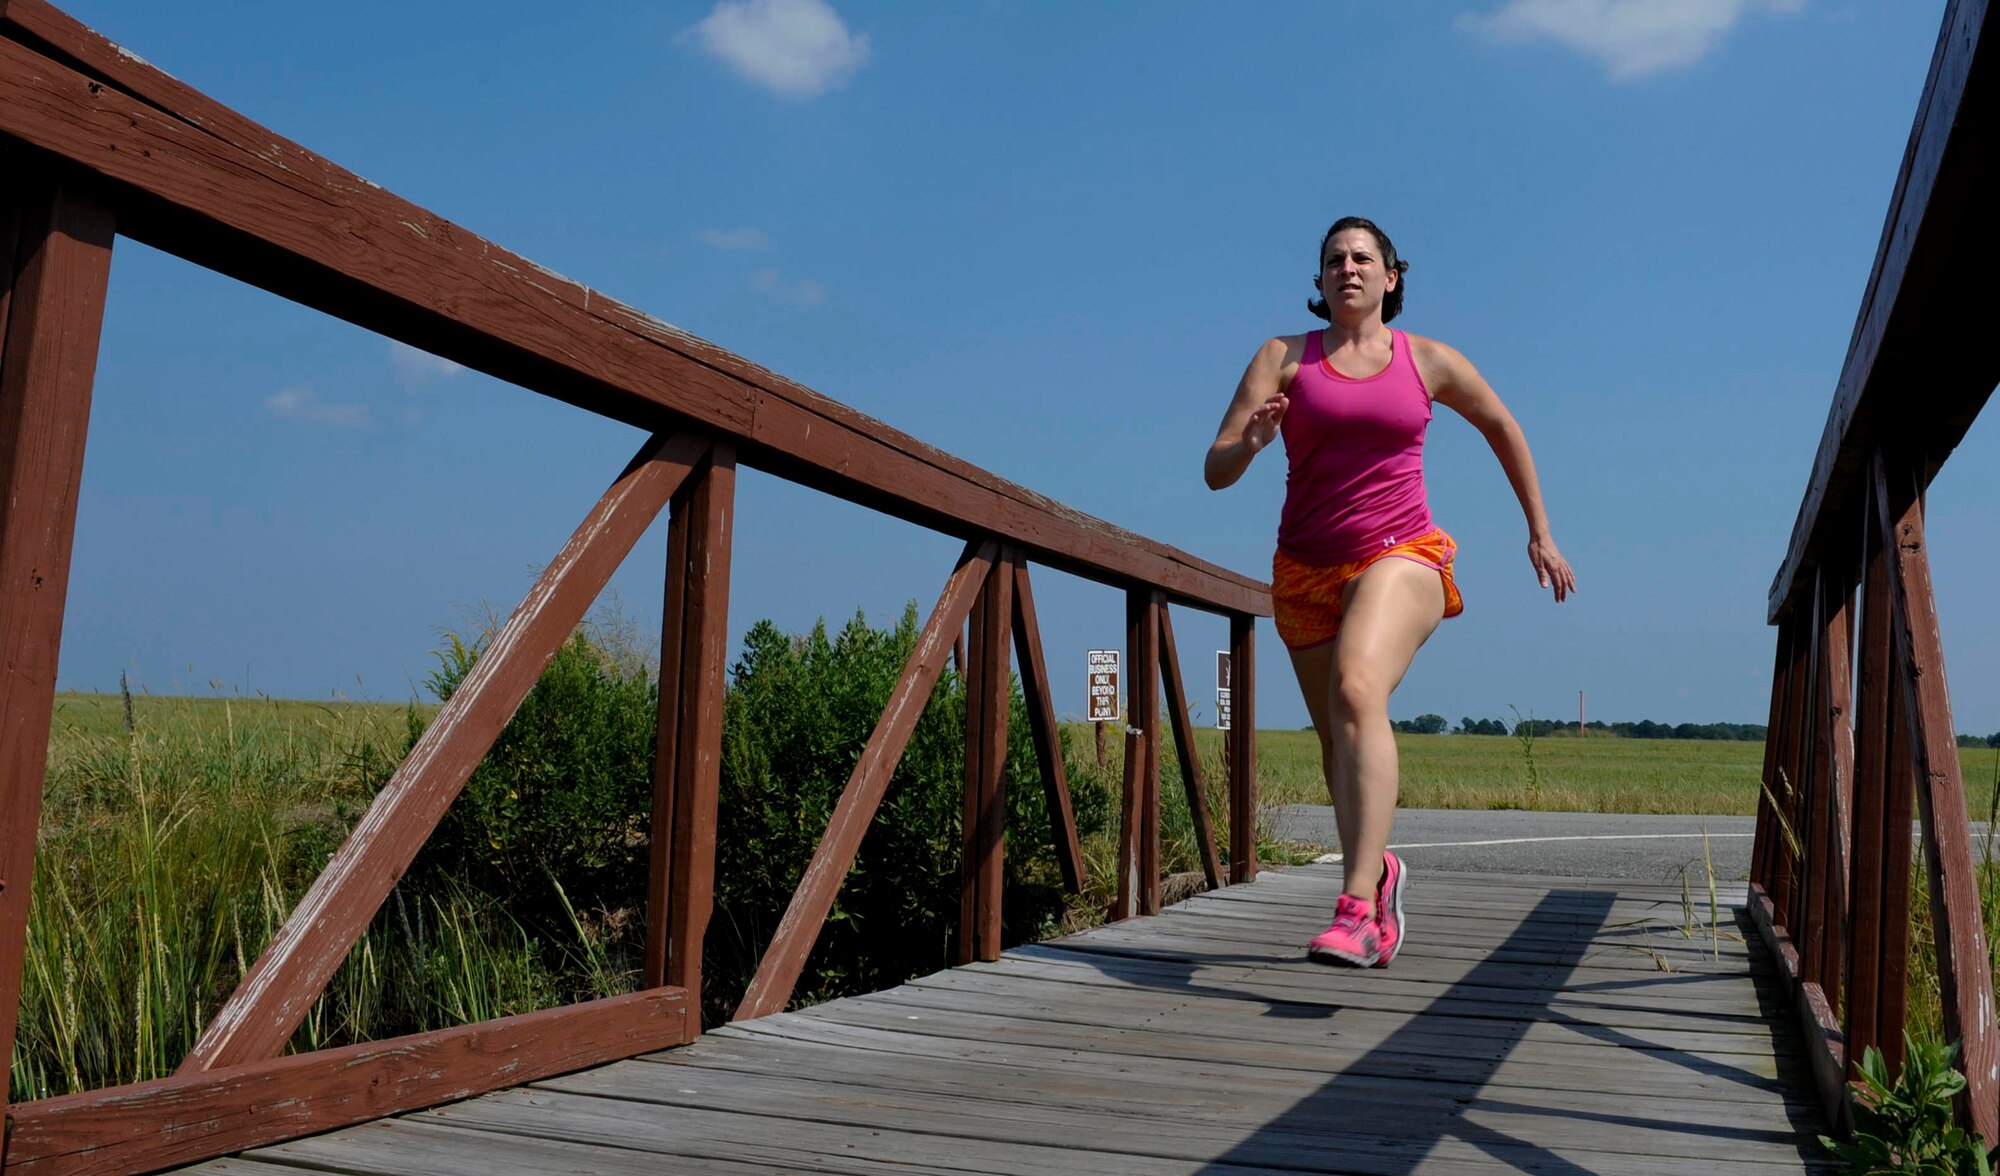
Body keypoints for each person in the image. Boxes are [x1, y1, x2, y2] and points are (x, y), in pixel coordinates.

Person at [1203, 216, 1575, 967]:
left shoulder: (1428, 360)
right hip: (1305, 568)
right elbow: (1214, 467)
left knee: (1355, 687)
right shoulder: (1282, 358)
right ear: (1318, 281)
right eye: (1334, 259)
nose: (1348, 268)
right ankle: (1379, 880)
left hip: (1402, 554)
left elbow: (1502, 425)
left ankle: (1354, 906)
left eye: (1363, 258)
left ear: (1392, 276)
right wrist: (1250, 442)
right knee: (1338, 745)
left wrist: (1539, 528)